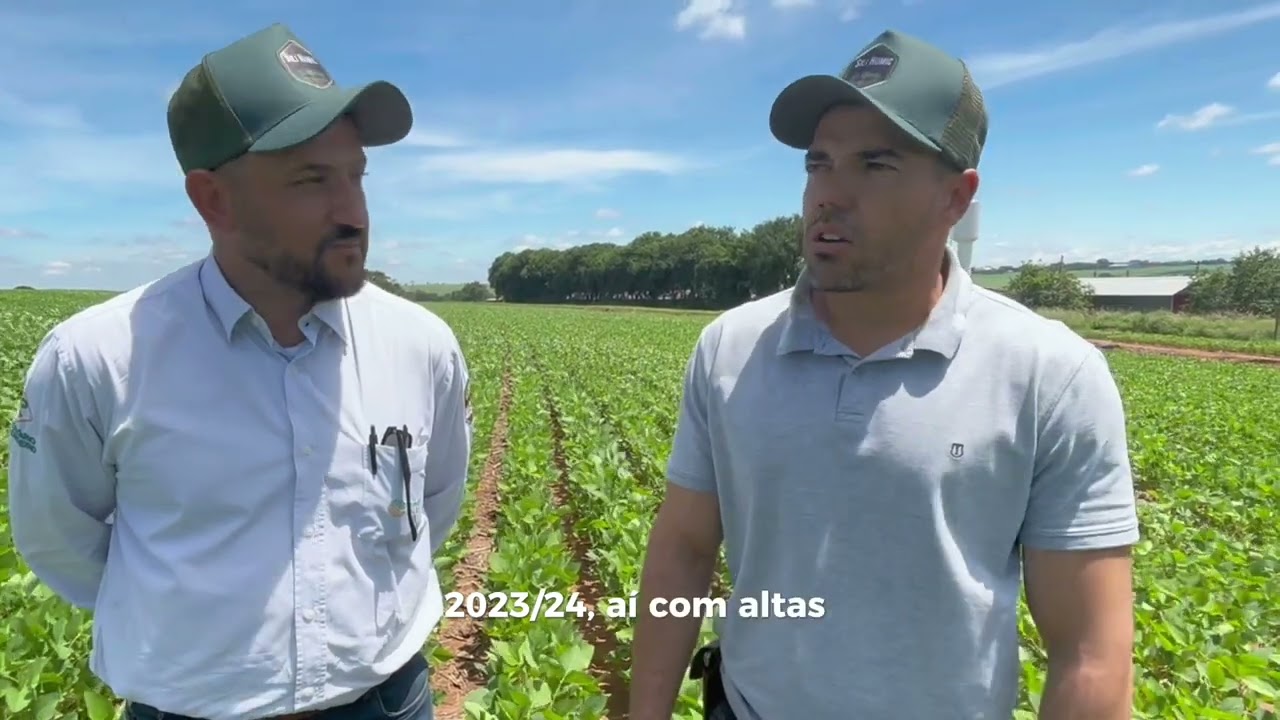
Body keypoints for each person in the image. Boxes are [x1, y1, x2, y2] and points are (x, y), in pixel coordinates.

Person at [628, 29, 1139, 720]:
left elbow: (1091, 653)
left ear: (956, 199)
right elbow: (685, 550)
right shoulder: (730, 348)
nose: (828, 196)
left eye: (874, 164)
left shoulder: (1049, 373)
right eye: (818, 163)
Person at [7, 23, 472, 720]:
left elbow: (431, 509)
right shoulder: (96, 358)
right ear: (212, 201)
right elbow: (59, 540)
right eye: (312, 180)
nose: (353, 212)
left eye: (356, 176)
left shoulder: (421, 343)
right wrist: (207, 641)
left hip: (388, 700)